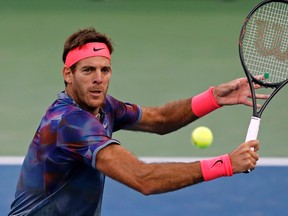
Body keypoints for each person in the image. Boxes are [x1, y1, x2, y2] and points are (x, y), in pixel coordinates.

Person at [9, 27, 268, 216]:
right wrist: (226, 164)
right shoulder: (70, 123)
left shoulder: (104, 106)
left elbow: (161, 119)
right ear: (68, 74)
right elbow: (143, 178)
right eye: (88, 70)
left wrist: (213, 98)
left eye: (105, 69)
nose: (99, 78)